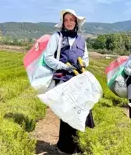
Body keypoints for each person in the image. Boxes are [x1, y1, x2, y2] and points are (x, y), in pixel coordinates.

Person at [43, 9, 94, 154]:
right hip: (63, 79)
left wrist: (82, 65)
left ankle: (79, 145)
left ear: (76, 22)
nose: (69, 22)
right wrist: (63, 66)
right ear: (63, 22)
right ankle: (65, 147)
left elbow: (86, 58)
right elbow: (48, 57)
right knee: (67, 113)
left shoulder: (81, 39)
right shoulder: (57, 37)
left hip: (78, 79)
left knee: (82, 110)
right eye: (66, 20)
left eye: (72, 20)